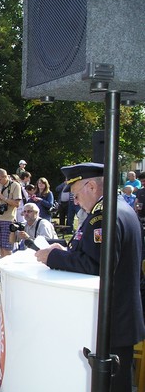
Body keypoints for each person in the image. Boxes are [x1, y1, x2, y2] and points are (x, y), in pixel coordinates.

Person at [35, 163, 145, 392]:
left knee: (112, 385)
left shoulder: (103, 216)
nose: (74, 201)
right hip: (119, 315)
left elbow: (96, 266)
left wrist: (53, 257)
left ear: (92, 186)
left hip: (112, 318)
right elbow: (92, 251)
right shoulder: (115, 208)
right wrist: (65, 250)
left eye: (75, 195)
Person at [0, 169, 21, 278]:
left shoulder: (15, 186)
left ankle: (9, 271)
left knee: (7, 247)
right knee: (1, 247)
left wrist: (3, 197)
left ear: (5, 176)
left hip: (8, 219)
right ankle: (2, 269)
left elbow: (17, 203)